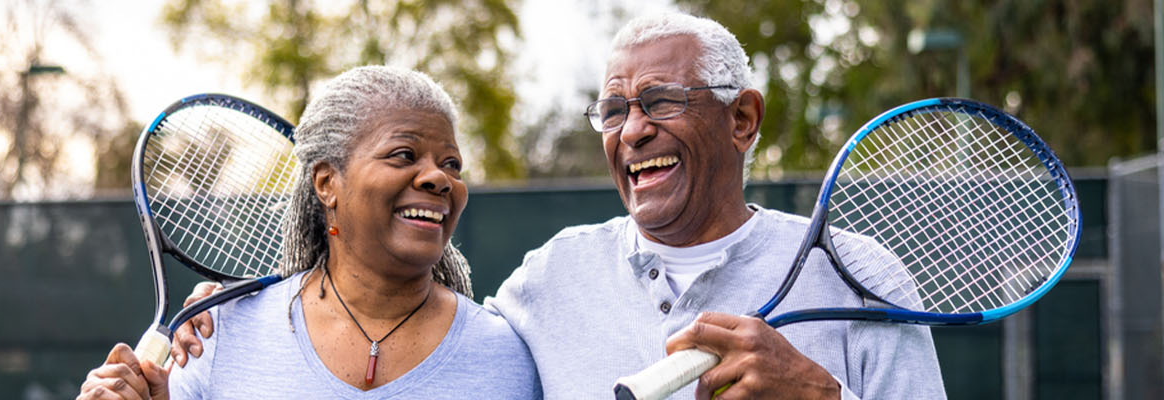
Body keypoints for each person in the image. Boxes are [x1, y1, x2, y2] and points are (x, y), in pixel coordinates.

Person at [173, 11, 945, 399]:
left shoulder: (862, 277)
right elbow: (406, 326)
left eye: (660, 102)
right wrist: (235, 315)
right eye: (613, 111)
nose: (633, 129)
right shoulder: (550, 282)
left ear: (742, 119)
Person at [77, 66, 540, 400]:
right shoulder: (218, 336)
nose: (439, 178)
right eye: (403, 154)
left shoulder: (506, 356)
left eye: (451, 163)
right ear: (326, 183)